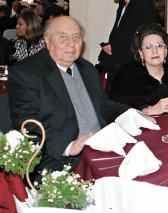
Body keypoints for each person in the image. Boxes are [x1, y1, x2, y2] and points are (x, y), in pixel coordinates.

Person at [8, 16, 129, 180]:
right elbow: (27, 123)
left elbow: (103, 105)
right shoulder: (27, 73)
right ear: (47, 40)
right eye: (63, 37)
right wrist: (69, 146)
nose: (71, 44)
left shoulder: (87, 69)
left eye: (76, 37)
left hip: (101, 148)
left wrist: (139, 112)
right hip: (60, 160)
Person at [109, 23, 168, 115]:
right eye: (148, 47)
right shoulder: (127, 77)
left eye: (159, 46)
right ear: (141, 53)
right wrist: (149, 110)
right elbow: (113, 109)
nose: (155, 51)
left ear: (166, 51)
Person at [98, 0, 157, 93]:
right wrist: (111, 46)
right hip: (117, 64)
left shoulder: (143, 4)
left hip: (133, 65)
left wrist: (118, 48)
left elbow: (147, 36)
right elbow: (121, 35)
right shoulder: (122, 6)